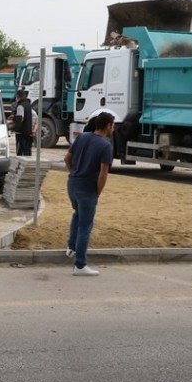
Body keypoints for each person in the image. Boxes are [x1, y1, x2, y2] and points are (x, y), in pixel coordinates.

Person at [63, 111, 115, 276]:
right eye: (113, 124)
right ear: (108, 126)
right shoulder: (106, 145)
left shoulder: (82, 137)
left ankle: (71, 247)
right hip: (87, 189)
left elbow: (67, 159)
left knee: (77, 215)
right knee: (85, 225)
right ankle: (80, 265)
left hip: (72, 184)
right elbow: (103, 173)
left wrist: (74, 173)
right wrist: (97, 192)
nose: (113, 128)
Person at [12, 88, 35, 157]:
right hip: (28, 133)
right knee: (27, 152)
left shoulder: (20, 106)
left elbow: (20, 119)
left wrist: (13, 127)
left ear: (18, 97)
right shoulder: (28, 105)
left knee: (20, 153)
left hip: (21, 133)